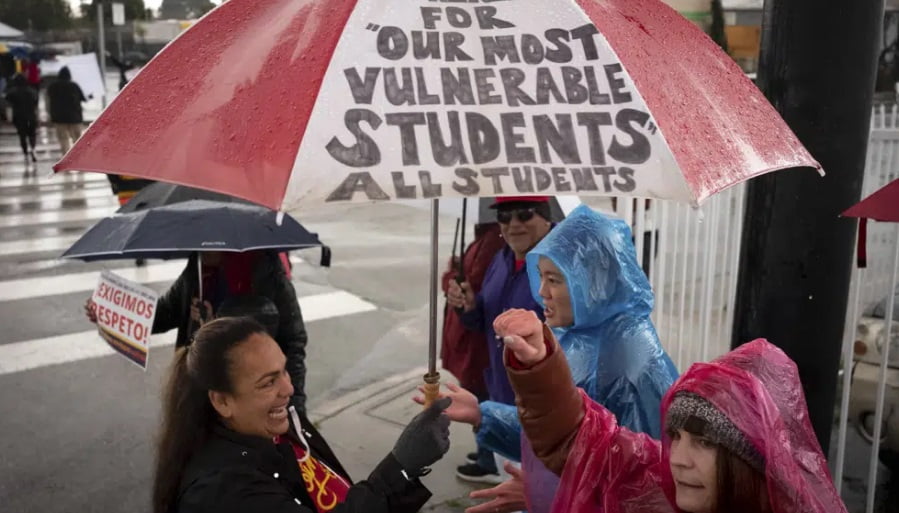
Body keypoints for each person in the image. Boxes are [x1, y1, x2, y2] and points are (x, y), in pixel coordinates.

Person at [427, 205, 678, 513]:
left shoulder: (632, 366)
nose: (541, 291)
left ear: (592, 281)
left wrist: (544, 495)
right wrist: (483, 415)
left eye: (555, 280)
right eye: (541, 277)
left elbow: (642, 486)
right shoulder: (579, 336)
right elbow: (558, 435)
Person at [495, 308, 849, 513]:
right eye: (676, 436)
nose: (677, 458)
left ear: (752, 456)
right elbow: (584, 442)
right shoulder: (659, 484)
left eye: (705, 442)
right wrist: (540, 366)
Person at [153, 316, 452, 513]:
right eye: (268, 382)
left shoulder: (279, 427)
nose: (288, 387)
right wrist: (401, 466)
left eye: (283, 370)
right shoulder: (222, 492)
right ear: (222, 401)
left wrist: (405, 467)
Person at [85, 250, 310, 412]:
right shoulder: (197, 269)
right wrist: (109, 312)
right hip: (198, 396)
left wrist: (295, 408)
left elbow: (293, 342)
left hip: (248, 402)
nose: (201, 249)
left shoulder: (266, 272)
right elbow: (164, 313)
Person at [445, 195, 553, 483]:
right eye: (504, 216)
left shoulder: (558, 265)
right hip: (501, 394)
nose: (513, 224)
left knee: (538, 493)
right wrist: (468, 306)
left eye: (525, 214)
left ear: (546, 216)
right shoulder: (502, 258)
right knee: (513, 486)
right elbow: (486, 322)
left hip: (541, 404)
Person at [440, 221, 505, 481]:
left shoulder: (493, 240)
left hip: (476, 344)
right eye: (506, 215)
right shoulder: (489, 238)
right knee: (480, 396)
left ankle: (490, 461)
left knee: (481, 398)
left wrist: (450, 275)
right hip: (471, 338)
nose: (513, 222)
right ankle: (486, 454)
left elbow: (471, 285)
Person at [46, 66, 88, 155]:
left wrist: (49, 114)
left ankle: (66, 157)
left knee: (63, 139)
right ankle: (78, 156)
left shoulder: (52, 86)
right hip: (74, 117)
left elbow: (48, 100)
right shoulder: (74, 86)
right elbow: (83, 98)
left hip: (59, 117)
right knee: (77, 139)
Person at [4, 73, 38, 167]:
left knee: (22, 136)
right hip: (31, 116)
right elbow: (36, 104)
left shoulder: (12, 92)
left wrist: (8, 118)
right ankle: (33, 149)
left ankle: (25, 154)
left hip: (19, 117)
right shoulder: (32, 91)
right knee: (32, 134)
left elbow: (8, 105)